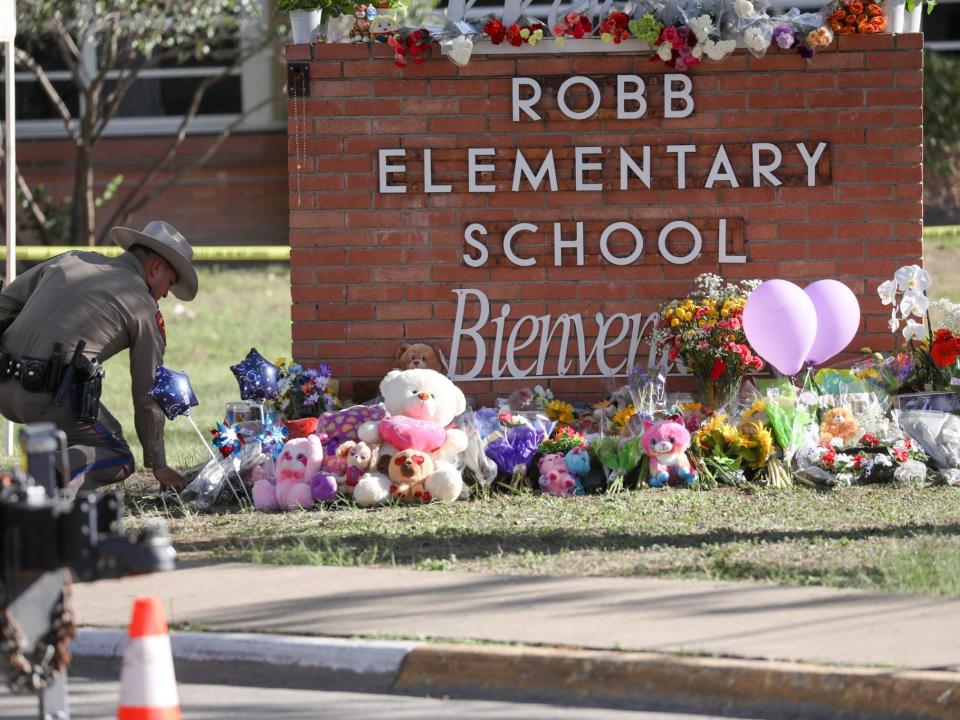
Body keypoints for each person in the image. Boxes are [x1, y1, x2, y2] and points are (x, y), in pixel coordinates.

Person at [0, 221, 199, 495]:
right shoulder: (142, 306)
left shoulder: (71, 259)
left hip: (3, 386)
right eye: (170, 282)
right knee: (117, 456)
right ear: (156, 269)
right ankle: (25, 480)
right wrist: (158, 463)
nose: (165, 293)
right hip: (49, 398)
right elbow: (148, 391)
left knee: (75, 438)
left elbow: (4, 304)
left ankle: (49, 487)